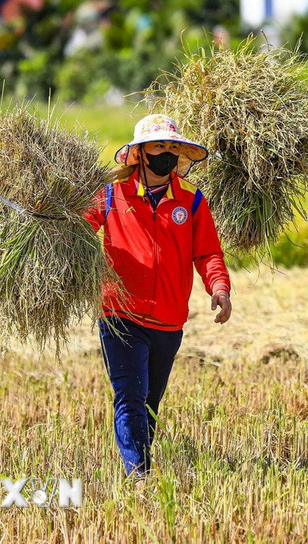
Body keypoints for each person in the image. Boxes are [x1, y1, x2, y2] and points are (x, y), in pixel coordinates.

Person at [84, 113, 232, 480]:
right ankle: (139, 476)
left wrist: (220, 287)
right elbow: (77, 230)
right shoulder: (110, 194)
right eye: (158, 146)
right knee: (130, 398)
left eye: (171, 147)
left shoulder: (192, 200)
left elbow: (208, 252)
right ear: (140, 154)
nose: (165, 153)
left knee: (149, 403)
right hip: (120, 314)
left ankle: (140, 463)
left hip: (169, 319)